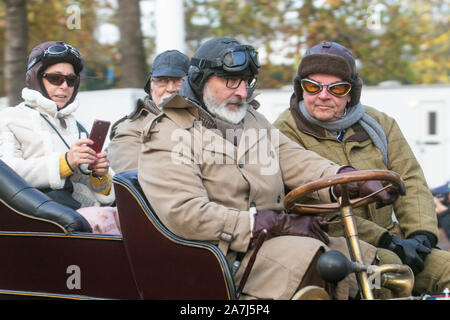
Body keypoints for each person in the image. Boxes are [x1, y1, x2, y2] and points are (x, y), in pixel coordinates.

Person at [137, 37, 402, 300]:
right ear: (200, 79)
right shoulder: (167, 131)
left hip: (270, 245)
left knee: (369, 263)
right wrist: (270, 222)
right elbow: (185, 213)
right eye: (230, 81)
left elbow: (296, 159)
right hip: (218, 259)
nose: (241, 92)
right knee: (317, 260)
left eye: (246, 82)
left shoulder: (252, 120)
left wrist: (347, 178)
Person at [273, 41, 450, 294]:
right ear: (300, 89)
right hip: (332, 246)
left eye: (337, 88)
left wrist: (421, 237)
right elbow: (313, 208)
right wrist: (387, 242)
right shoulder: (282, 133)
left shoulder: (379, 123)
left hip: (396, 238)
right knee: (386, 276)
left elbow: (409, 179)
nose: (323, 95)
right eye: (312, 86)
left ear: (351, 93)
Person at [0, 41, 120, 235]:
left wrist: (99, 175)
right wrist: (65, 162)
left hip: (78, 211)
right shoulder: (9, 118)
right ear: (36, 78)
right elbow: (6, 176)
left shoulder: (76, 126)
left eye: (71, 80)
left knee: (132, 220)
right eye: (55, 78)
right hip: (36, 218)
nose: (64, 86)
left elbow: (84, 184)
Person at [108, 50, 189, 173]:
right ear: (151, 89)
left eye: (179, 81)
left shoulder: (204, 121)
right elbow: (132, 182)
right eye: (162, 81)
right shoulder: (130, 130)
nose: (171, 88)